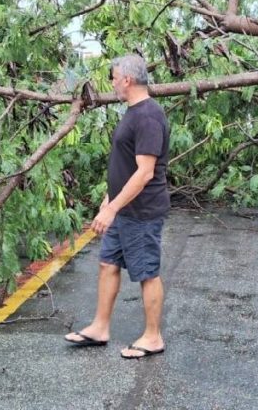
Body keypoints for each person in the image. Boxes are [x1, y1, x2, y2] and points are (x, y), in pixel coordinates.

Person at [64, 54, 170, 359]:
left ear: (127, 79)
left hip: (142, 211)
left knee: (147, 272)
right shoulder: (133, 112)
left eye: (113, 78)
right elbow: (125, 165)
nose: (111, 84)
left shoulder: (148, 116)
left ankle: (153, 337)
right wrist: (110, 200)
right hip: (123, 208)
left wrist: (113, 208)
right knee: (107, 264)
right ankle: (100, 327)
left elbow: (145, 172)